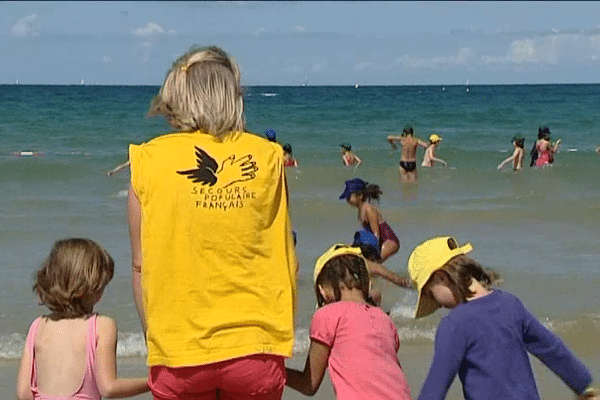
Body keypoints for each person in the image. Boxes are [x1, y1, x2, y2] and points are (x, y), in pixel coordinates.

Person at [128, 45, 296, 399]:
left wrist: (158, 343)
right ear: (232, 96)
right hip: (256, 347)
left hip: (178, 351)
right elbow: (282, 250)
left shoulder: (148, 159)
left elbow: (140, 265)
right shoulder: (268, 156)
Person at [407, 236, 599, 400]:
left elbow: (436, 386)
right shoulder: (510, 304)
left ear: (442, 278)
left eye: (431, 295)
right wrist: (583, 386)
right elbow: (551, 348)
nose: (437, 304)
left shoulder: (453, 324)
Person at [16, 238, 149, 400]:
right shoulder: (102, 326)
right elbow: (108, 388)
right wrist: (151, 383)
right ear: (88, 287)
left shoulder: (37, 326)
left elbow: (24, 393)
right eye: (101, 286)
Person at [285, 244, 412, 400]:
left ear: (323, 292)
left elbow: (308, 384)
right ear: (367, 283)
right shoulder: (384, 319)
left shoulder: (327, 315)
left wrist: (275, 370)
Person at [339, 178, 400, 262]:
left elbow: (376, 234)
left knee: (374, 262)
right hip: (379, 241)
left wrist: (370, 252)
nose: (347, 200)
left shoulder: (369, 210)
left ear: (359, 196)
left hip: (389, 240)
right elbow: (368, 234)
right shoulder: (361, 211)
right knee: (368, 264)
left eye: (349, 197)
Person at [352, 229, 411, 305]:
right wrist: (413, 285)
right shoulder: (371, 265)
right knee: (376, 295)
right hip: (356, 303)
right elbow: (398, 280)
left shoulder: (345, 259)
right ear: (372, 254)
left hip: (338, 299)